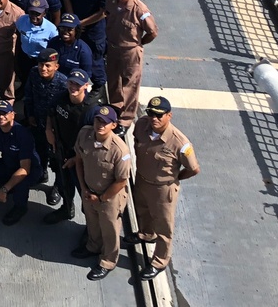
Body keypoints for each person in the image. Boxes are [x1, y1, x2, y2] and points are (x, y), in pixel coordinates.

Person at [129, 96, 201, 280]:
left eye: (160, 115)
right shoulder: (141, 125)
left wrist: (174, 179)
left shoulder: (180, 143)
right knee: (142, 211)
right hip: (142, 179)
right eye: (151, 113)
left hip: (163, 189)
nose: (154, 118)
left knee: (164, 227)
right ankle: (146, 234)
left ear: (169, 115)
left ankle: (160, 261)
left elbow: (193, 169)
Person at [72, 106, 131, 281]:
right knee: (92, 222)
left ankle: (108, 260)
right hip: (89, 191)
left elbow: (121, 181)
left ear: (113, 125)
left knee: (110, 229)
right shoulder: (84, 134)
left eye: (106, 123)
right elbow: (79, 160)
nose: (101, 125)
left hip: (110, 197)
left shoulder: (120, 151)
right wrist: (83, 188)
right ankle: (93, 246)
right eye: (98, 120)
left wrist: (102, 198)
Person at [100, 0, 157, 131]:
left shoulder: (139, 9)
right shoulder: (111, 0)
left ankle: (125, 120)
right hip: (112, 48)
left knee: (130, 85)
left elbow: (153, 31)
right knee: (113, 80)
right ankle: (116, 106)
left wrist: (139, 44)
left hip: (130, 51)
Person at [44, 68, 99, 224]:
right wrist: (49, 129)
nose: (73, 87)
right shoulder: (60, 97)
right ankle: (67, 209)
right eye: (71, 83)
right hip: (61, 150)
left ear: (86, 86)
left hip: (82, 158)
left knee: (85, 193)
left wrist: (77, 159)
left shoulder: (91, 110)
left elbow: (96, 142)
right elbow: (51, 112)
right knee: (63, 184)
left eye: (78, 84)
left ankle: (90, 227)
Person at [0, 100, 42, 226]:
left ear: (13, 114)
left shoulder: (22, 134)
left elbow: (25, 169)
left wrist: (4, 189)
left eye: (4, 113)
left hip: (28, 170)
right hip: (8, 164)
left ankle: (20, 208)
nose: (1, 117)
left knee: (20, 185)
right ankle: (3, 186)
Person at [23, 47, 68, 203]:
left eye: (48, 65)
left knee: (57, 160)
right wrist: (30, 115)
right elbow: (28, 96)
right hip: (38, 123)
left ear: (56, 66)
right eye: (41, 64)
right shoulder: (34, 73)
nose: (43, 68)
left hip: (56, 129)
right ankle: (41, 173)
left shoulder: (63, 84)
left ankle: (57, 187)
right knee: (40, 151)